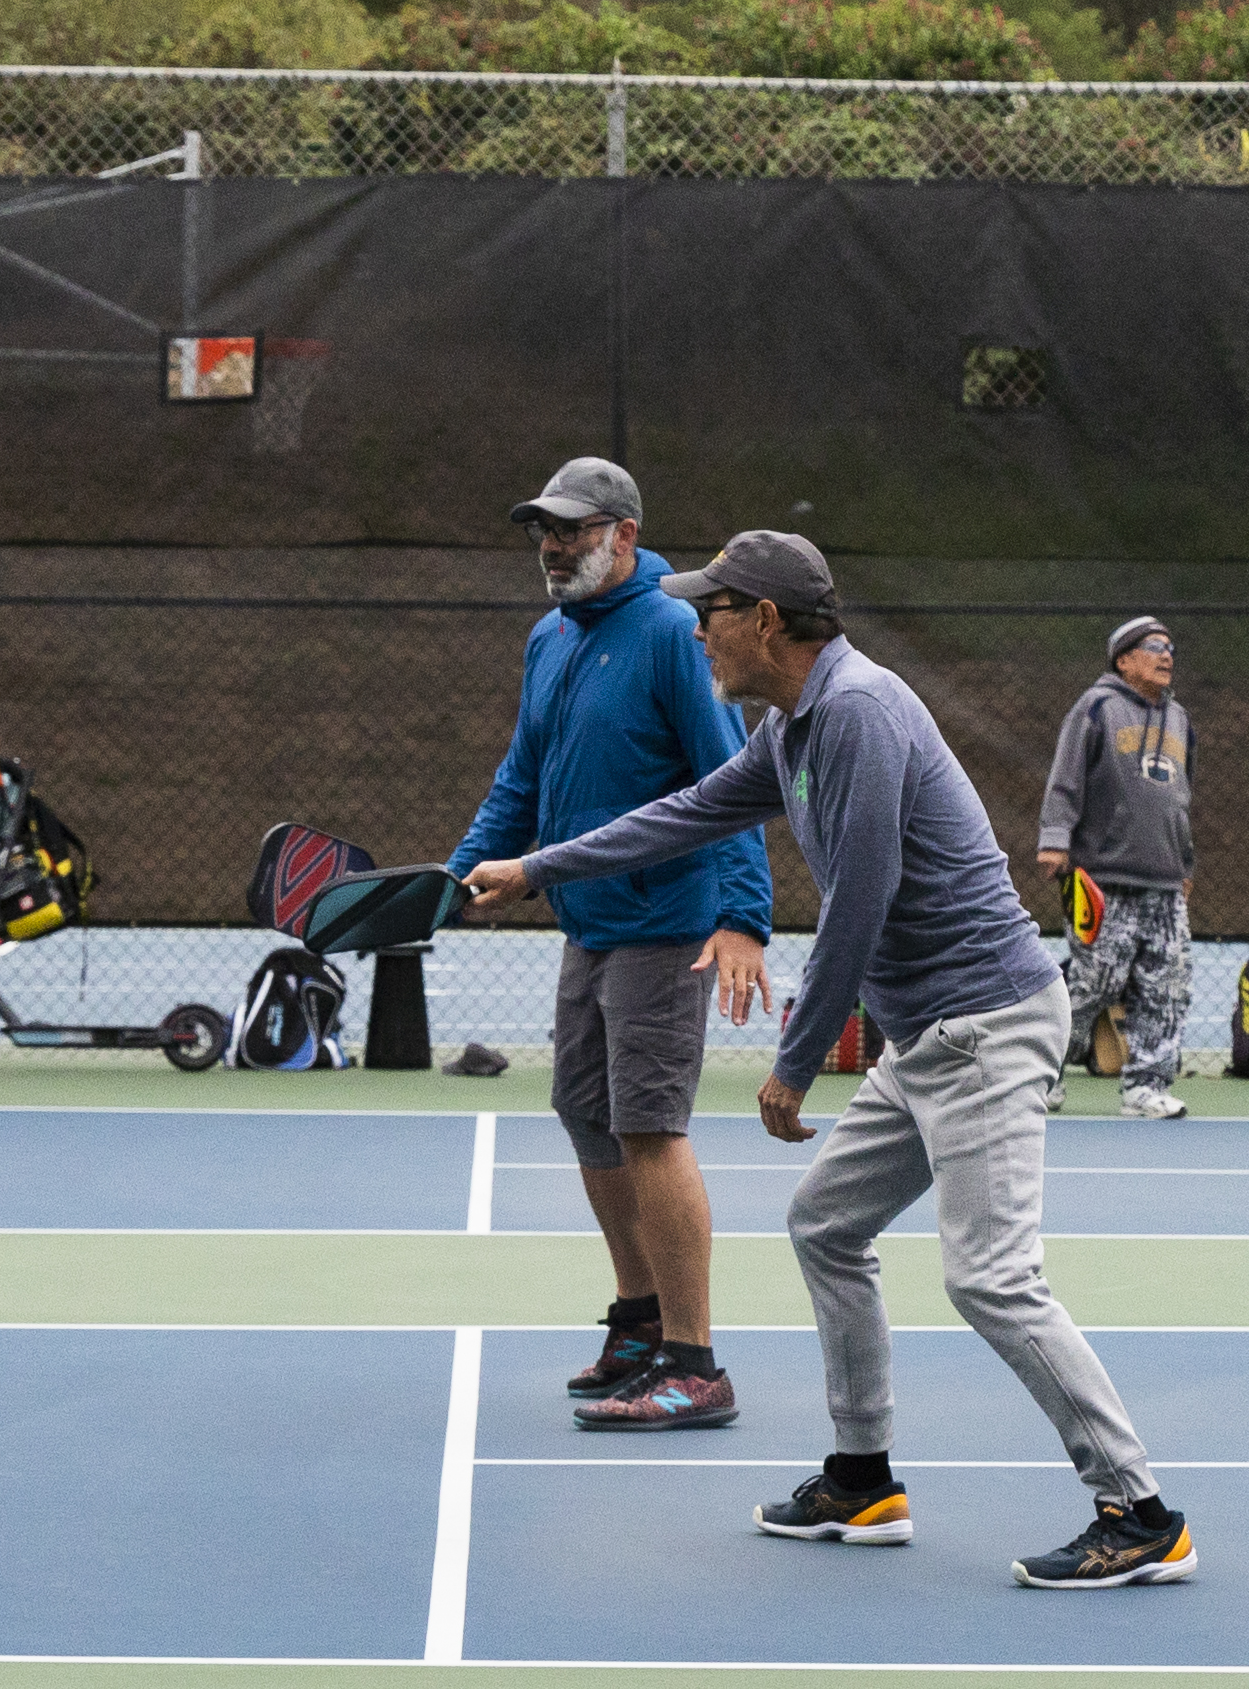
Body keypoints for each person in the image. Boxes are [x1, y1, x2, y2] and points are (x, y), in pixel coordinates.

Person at [468, 532, 1195, 1591]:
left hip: (986, 1027)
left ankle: (1139, 1509)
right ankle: (863, 1478)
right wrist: (534, 866)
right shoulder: (795, 722)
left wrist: (796, 1061)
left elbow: (862, 896)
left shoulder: (855, 711)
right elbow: (688, 812)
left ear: (764, 619)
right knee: (825, 1223)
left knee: (992, 1278)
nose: (696, 624)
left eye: (710, 608)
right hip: (935, 1032)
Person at [445, 457, 772, 1432]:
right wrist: (456, 873)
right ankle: (638, 1320)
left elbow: (736, 776)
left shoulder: (676, 632)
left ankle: (694, 1361)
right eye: (543, 529)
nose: (551, 546)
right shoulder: (549, 636)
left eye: (572, 530)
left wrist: (744, 915)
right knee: (586, 1113)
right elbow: (522, 774)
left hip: (669, 927)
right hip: (587, 921)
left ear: (623, 534)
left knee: (649, 1130)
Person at [1037, 616, 1196, 1120]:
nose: (1166, 654)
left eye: (1170, 647)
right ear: (1123, 659)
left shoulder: (1180, 721)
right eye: (1153, 646)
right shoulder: (1097, 708)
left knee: (1165, 986)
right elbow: (1066, 778)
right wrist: (1055, 840)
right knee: (1095, 981)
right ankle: (1041, 1073)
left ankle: (1145, 1087)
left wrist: (1185, 863)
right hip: (1103, 878)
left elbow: (1180, 798)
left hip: (1165, 882)